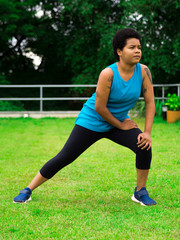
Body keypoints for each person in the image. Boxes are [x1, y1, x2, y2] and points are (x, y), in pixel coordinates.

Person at [14, 28, 156, 206]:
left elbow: (150, 102)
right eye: (132, 47)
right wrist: (121, 125)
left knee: (143, 145)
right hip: (92, 120)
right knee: (65, 157)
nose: (137, 51)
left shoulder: (143, 72)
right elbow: (99, 107)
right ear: (119, 51)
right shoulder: (108, 74)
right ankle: (27, 189)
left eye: (139, 47)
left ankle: (140, 191)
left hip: (118, 121)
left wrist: (147, 132)